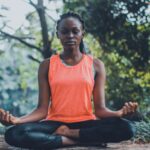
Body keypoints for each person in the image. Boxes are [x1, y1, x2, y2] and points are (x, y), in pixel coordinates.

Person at [0, 12, 138, 149]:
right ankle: (79, 140)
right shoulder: (46, 65)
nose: (70, 36)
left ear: (82, 33)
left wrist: (119, 113)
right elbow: (41, 110)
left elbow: (100, 110)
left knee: (127, 128)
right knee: (14, 134)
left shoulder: (96, 65)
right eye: (65, 32)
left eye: (75, 31)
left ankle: (67, 135)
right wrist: (17, 120)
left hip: (86, 123)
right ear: (58, 34)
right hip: (54, 124)